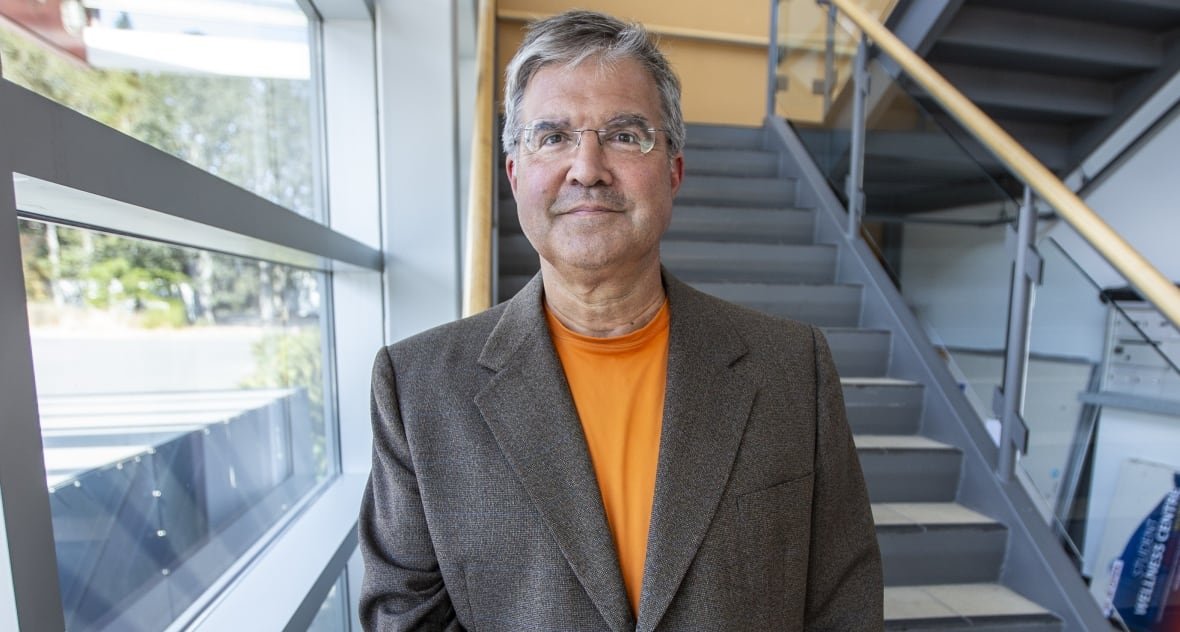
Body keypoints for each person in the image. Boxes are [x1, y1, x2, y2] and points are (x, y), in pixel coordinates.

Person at [359, 9, 882, 631]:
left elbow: (843, 602)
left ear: (674, 171)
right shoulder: (417, 386)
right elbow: (404, 615)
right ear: (514, 174)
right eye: (551, 136)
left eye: (625, 134)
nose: (587, 167)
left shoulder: (793, 367)